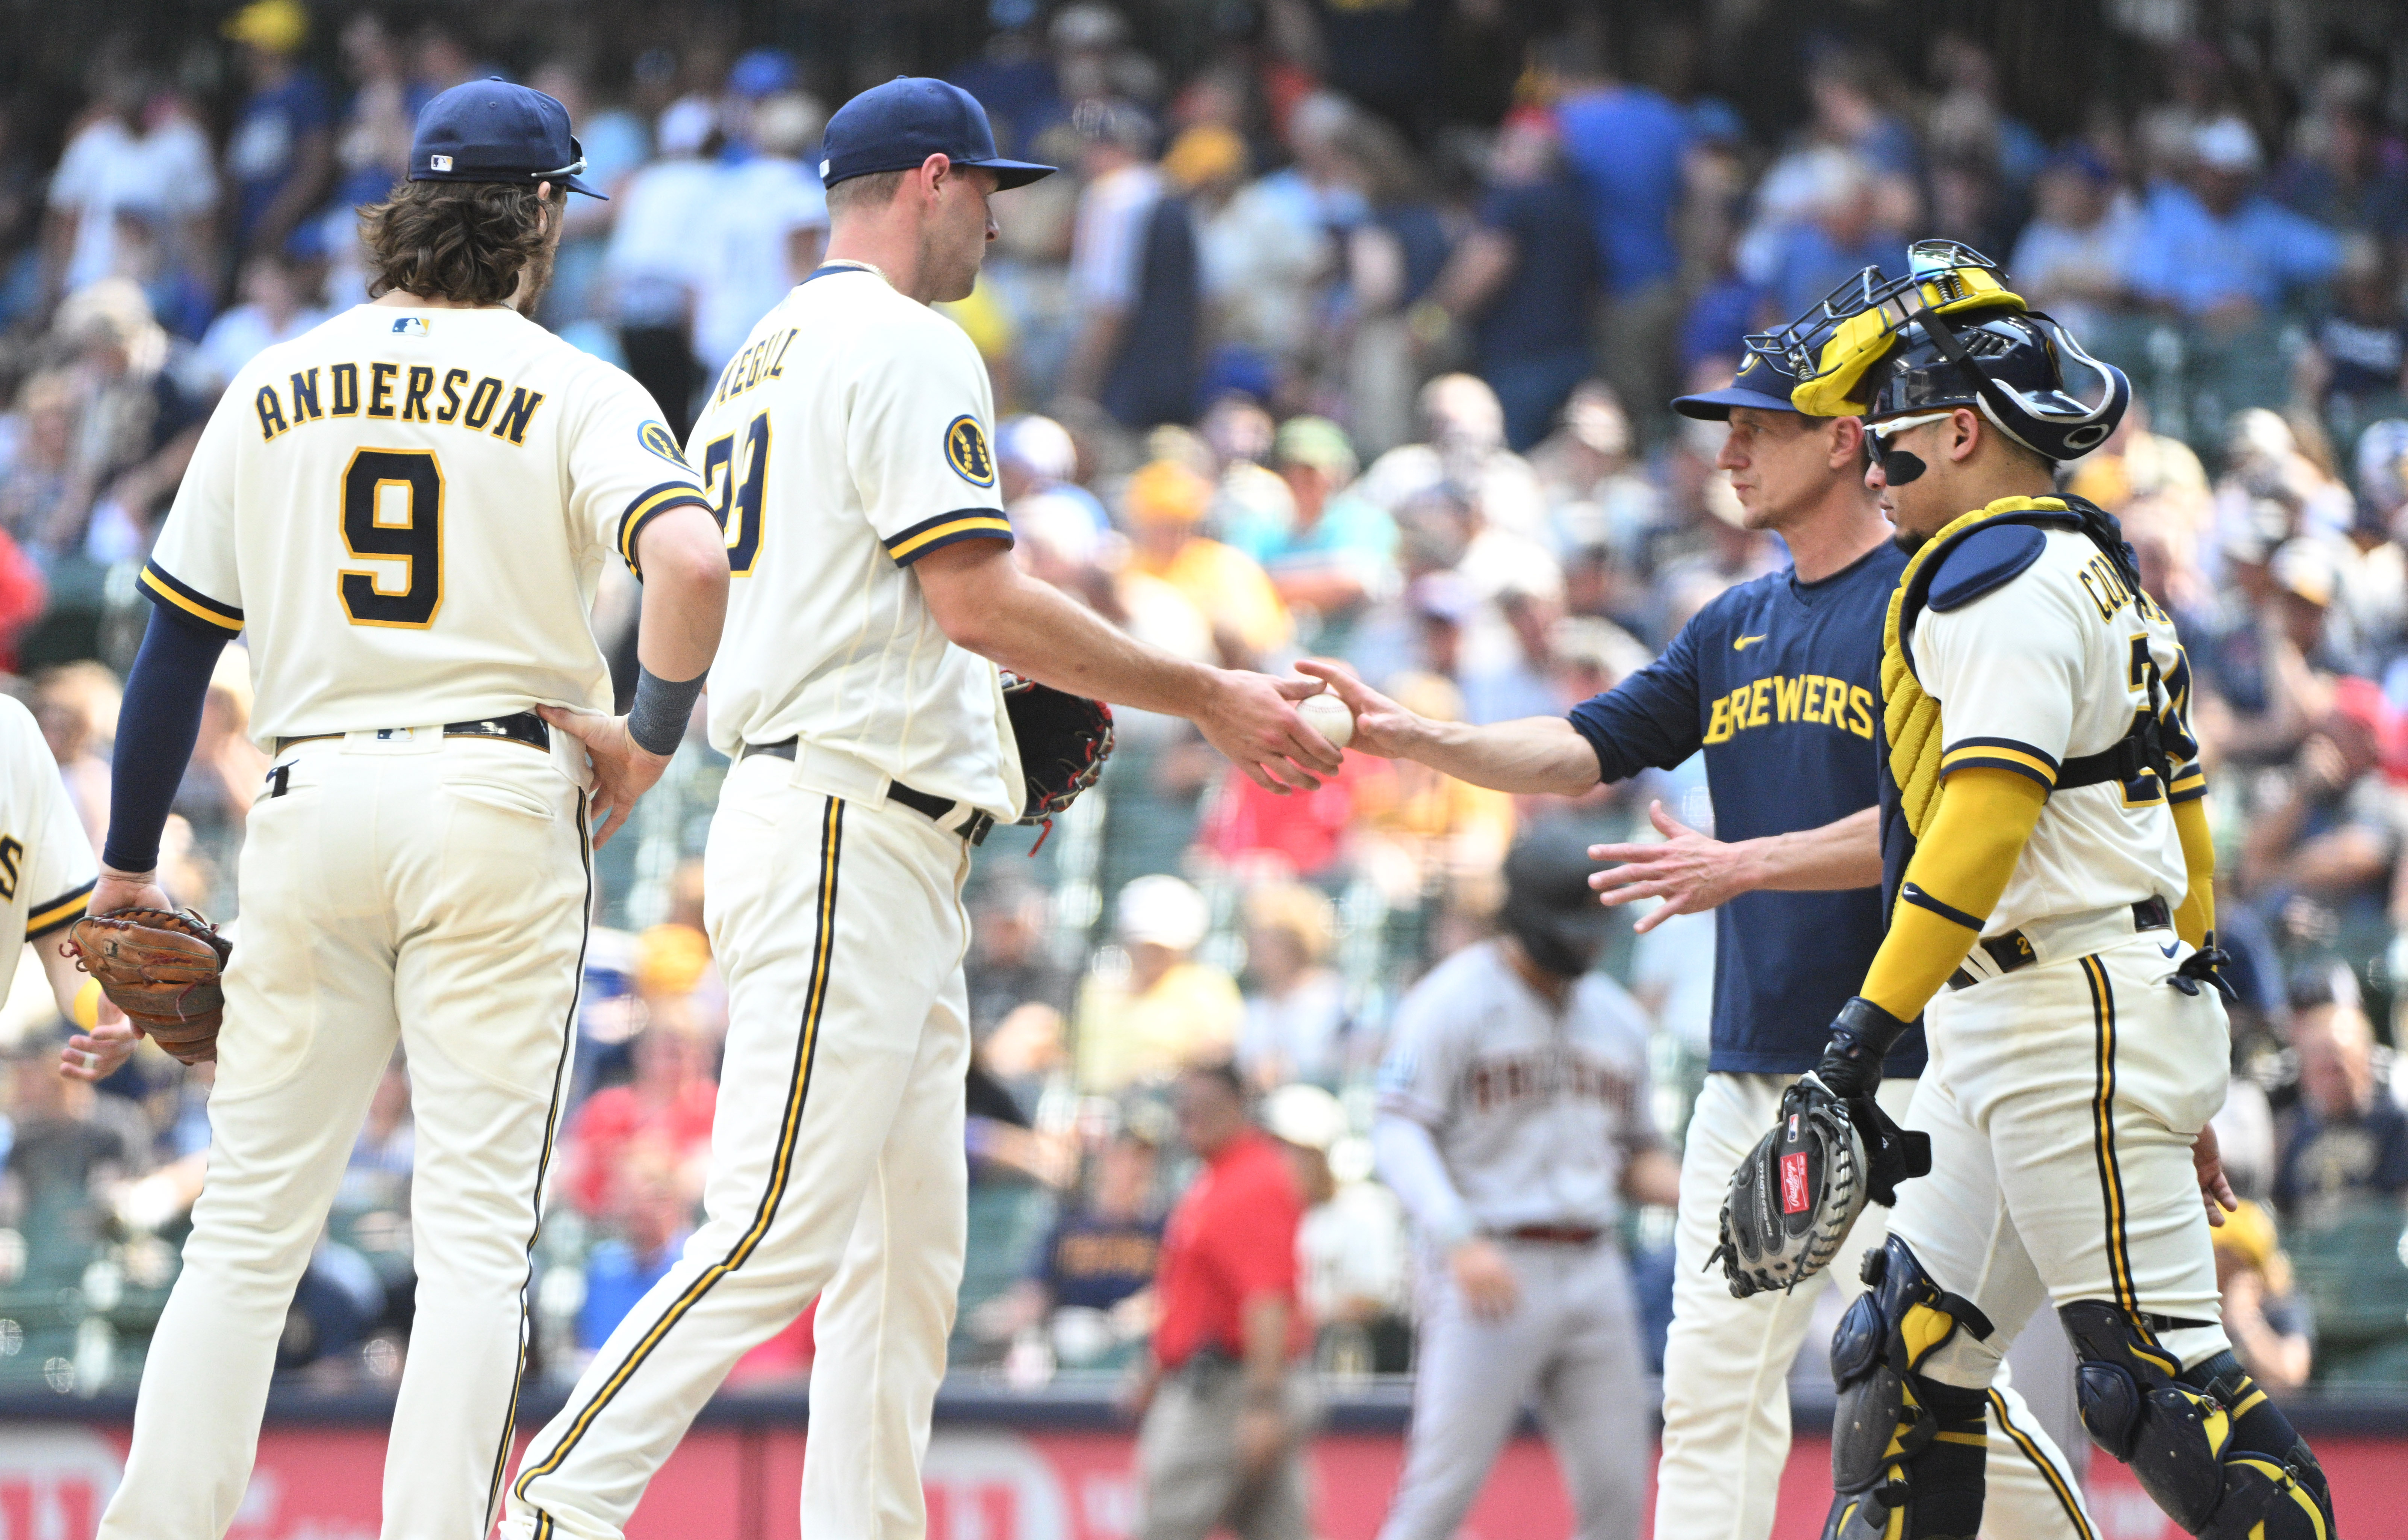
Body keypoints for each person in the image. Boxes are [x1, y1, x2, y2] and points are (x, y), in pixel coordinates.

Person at [505, 78, 1337, 1540]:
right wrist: (1201, 689)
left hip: (858, 811)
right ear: (930, 178)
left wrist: (673, 736)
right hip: (841, 820)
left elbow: (802, 597)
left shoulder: (760, 349)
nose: (996, 224)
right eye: (988, 195)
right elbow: (971, 595)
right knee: (774, 1227)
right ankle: (549, 1503)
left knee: (905, 1268)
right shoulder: (907, 337)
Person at [1305, 338, 2095, 1540]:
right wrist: (1409, 735)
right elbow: (1582, 744)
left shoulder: (1926, 600)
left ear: (1843, 439)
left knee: (1934, 1391)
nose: (1725, 450)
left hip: (1909, 1066)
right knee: (1711, 1388)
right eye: (1721, 427)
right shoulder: (1731, 620)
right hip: (1752, 1072)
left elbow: (1948, 822)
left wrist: (1742, 862)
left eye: (1757, 427)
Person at [86, 80, 731, 1540]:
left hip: (310, 796)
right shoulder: (573, 384)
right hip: (496, 797)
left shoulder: (272, 374)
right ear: (543, 215)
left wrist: (127, 866)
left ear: (406, 208)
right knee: (470, 1245)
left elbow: (178, 637)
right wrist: (645, 741)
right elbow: (689, 564)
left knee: (247, 1230)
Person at [1757, 239, 2333, 1538]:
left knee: (2158, 1381)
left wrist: (1854, 1038)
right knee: (1902, 1357)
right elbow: (2186, 834)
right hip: (2056, 1009)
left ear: (1960, 434)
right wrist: (2171, 1042)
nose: (1875, 476)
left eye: (1888, 449)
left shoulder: (1994, 569)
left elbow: (1983, 814)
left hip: (2059, 1000)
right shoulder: (2093, 564)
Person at [1368, 830, 1682, 1540]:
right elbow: (1396, 1130)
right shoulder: (1452, 997)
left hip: (1595, 1265)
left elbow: (1636, 1158)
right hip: (1491, 1263)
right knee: (1437, 1498)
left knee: (1617, 1496)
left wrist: (1706, 1193)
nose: (1585, 944)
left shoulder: (1616, 1017)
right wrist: (1455, 1236)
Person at [1127, 1061, 1315, 1540]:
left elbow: (1267, 1300)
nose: (1190, 1117)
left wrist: (1263, 1404)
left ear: (1237, 1108)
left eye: (1204, 1107)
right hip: (1227, 1382)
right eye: (1184, 1108)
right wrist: (1156, 1367)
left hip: (1228, 1390)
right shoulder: (1218, 1176)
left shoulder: (1250, 1182)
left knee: (1162, 1527)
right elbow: (1195, 1294)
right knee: (1275, 1529)